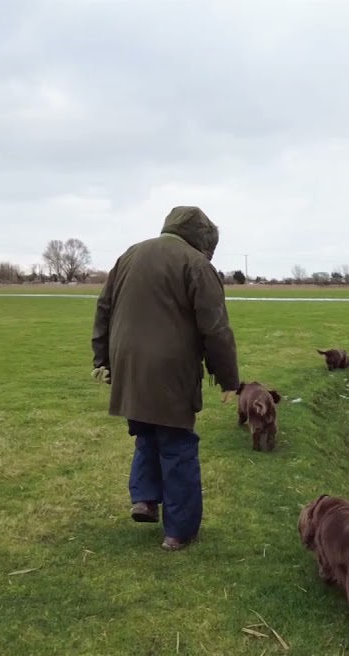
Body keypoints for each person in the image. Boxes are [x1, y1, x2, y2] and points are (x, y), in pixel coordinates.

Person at [90, 206, 240, 551]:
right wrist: (229, 379)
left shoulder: (130, 254)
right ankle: (179, 531)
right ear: (204, 239)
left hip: (127, 363)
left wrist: (103, 358)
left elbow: (104, 308)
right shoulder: (197, 264)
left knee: (146, 432)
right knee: (177, 444)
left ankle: (144, 498)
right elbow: (216, 328)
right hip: (170, 368)